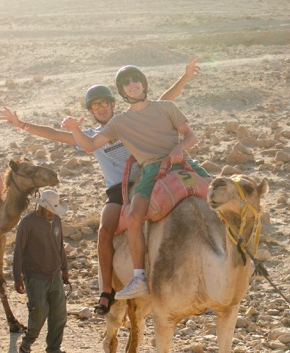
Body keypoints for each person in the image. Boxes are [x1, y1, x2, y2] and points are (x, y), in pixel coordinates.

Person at [0, 57, 200, 315]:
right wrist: (22, 125)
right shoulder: (93, 136)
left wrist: (185, 77)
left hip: (150, 176)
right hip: (118, 189)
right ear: (91, 111)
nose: (101, 108)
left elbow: (162, 101)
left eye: (105, 103)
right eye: (95, 105)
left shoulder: (131, 120)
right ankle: (107, 291)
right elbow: (55, 134)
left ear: (113, 104)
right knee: (105, 231)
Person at [58, 65, 207, 300]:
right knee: (134, 216)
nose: (132, 84)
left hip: (181, 161)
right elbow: (89, 145)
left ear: (144, 83)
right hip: (150, 169)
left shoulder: (166, 107)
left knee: (223, 195)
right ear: (122, 91)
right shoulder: (120, 123)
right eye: (126, 82)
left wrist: (179, 148)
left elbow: (191, 135)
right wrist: (75, 129)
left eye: (135, 79)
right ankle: (139, 277)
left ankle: (242, 255)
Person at [13, 188, 70, 353]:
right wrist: (17, 277)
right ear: (41, 206)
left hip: (55, 274)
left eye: (54, 210)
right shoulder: (27, 223)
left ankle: (54, 349)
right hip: (35, 277)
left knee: (59, 315)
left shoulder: (56, 220)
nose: (51, 213)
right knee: (39, 313)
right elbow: (18, 251)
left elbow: (60, 246)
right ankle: (28, 341)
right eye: (49, 210)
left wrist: (65, 269)